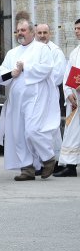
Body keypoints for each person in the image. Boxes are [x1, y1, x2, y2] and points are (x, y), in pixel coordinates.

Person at [0, 19, 58, 180]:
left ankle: (48, 158)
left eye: (23, 30)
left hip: (36, 98)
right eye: (18, 30)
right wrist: (12, 73)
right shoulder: (12, 53)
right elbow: (0, 74)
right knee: (18, 133)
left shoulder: (41, 49)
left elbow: (47, 69)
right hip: (17, 100)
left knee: (32, 130)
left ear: (32, 32)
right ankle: (27, 168)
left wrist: (26, 68)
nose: (20, 33)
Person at [35, 23, 68, 162]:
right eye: (40, 33)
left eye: (45, 33)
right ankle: (40, 161)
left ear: (50, 34)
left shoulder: (55, 51)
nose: (42, 36)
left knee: (51, 127)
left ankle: (55, 159)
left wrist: (39, 80)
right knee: (37, 127)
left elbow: (59, 74)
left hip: (49, 94)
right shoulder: (34, 50)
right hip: (36, 95)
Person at [57, 18, 80, 177]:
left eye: (79, 28)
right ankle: (70, 165)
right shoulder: (75, 52)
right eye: (76, 28)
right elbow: (67, 77)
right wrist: (69, 93)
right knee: (72, 131)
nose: (77, 31)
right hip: (75, 100)